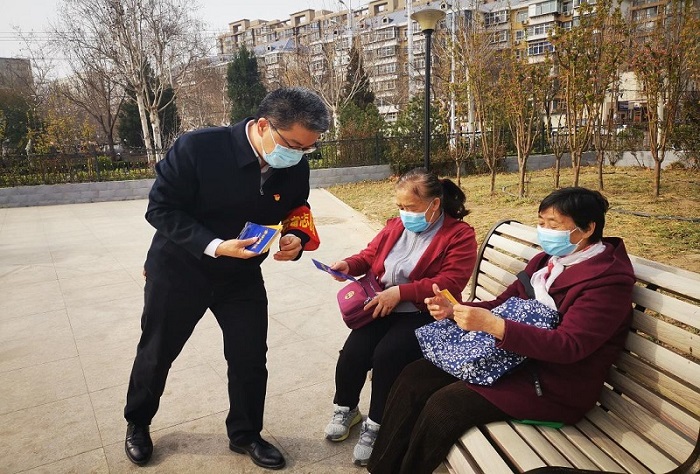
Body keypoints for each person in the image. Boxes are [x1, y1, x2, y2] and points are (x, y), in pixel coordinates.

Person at [123, 87, 330, 470]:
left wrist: (296, 237)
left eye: (308, 149)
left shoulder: (295, 163)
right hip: (179, 270)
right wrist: (216, 245)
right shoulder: (198, 148)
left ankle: (246, 433)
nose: (299, 155)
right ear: (264, 126)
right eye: (293, 146)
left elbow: (298, 205)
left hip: (241, 276)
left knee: (249, 356)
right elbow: (161, 209)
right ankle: (138, 421)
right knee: (157, 351)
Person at [366, 186, 636, 474]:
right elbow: (500, 303)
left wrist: (495, 326)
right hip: (512, 359)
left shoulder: (607, 282)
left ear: (587, 228)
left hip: (552, 385)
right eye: (541, 223)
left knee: (445, 407)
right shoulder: (545, 263)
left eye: (553, 225)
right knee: (415, 375)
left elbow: (569, 346)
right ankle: (381, 468)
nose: (544, 231)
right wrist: (454, 309)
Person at [323, 168, 478, 466]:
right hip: (383, 304)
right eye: (401, 207)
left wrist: (402, 292)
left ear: (435, 204)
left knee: (388, 356)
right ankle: (346, 409)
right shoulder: (395, 226)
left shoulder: (459, 235)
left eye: (411, 207)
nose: (405, 214)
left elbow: (451, 281)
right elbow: (369, 256)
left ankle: (378, 424)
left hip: (423, 312)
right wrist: (348, 265)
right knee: (353, 353)